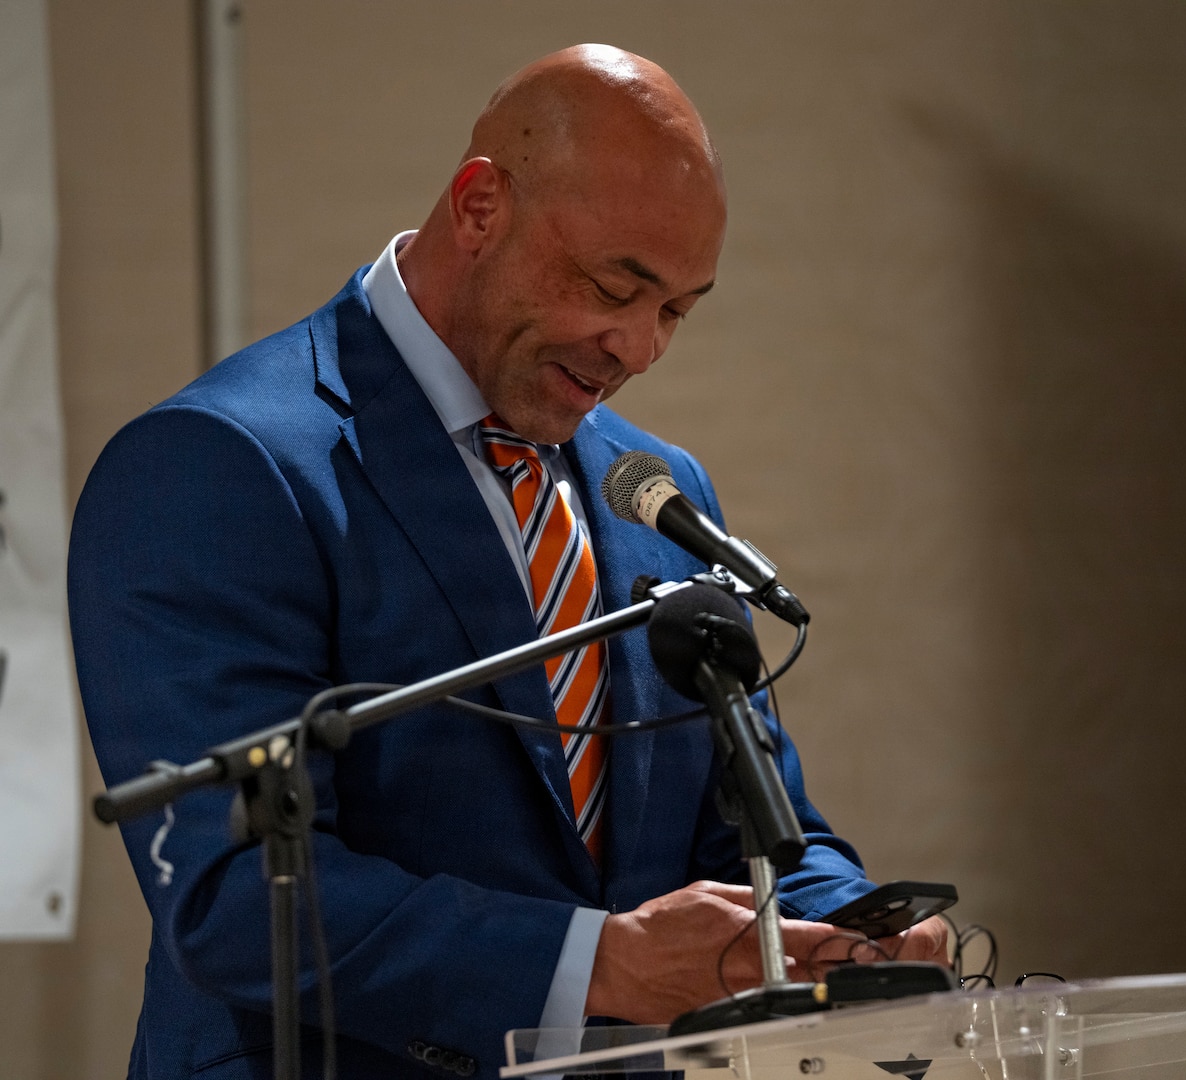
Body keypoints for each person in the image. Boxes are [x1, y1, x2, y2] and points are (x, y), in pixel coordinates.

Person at [69, 45, 945, 1080]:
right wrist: (597, 965)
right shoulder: (222, 466)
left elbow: (755, 833)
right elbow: (237, 899)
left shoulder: (658, 494)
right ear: (481, 204)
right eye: (615, 283)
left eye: (677, 309)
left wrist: (851, 926)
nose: (639, 347)